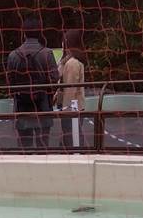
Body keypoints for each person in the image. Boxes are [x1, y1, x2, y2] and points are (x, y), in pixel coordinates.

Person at [6, 18, 59, 149]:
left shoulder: (13, 55)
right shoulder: (47, 54)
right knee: (43, 147)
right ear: (40, 32)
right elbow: (54, 78)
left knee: (25, 149)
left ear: (23, 33)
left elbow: (10, 82)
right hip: (43, 107)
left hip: (22, 107)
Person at [55, 29, 87, 149]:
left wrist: (65, 108)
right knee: (71, 135)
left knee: (72, 136)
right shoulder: (68, 61)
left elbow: (70, 89)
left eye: (64, 41)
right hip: (74, 106)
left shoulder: (72, 63)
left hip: (72, 107)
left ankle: (75, 155)